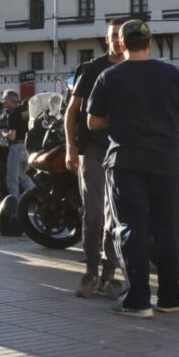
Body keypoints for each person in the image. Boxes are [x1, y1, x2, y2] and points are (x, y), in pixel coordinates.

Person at [87, 20, 179, 318]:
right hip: (166, 161)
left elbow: (93, 122)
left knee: (130, 227)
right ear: (150, 43)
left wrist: (120, 117)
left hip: (126, 161)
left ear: (122, 44)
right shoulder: (171, 73)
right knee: (169, 227)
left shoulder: (109, 76)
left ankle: (137, 301)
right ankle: (171, 298)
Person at [66, 19, 123, 298]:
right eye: (113, 35)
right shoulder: (90, 69)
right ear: (106, 38)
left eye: (121, 35)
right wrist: (70, 147)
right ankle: (90, 272)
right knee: (93, 214)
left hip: (123, 150)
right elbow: (71, 111)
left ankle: (109, 275)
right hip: (93, 149)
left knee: (116, 216)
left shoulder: (134, 70)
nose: (117, 40)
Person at [2, 90, 34, 200]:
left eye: (4, 99)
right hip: (27, 147)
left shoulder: (13, 114)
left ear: (10, 100)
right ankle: (39, 197)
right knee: (24, 177)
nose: (3, 102)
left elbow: (12, 136)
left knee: (12, 179)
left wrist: (3, 134)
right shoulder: (26, 111)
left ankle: (14, 204)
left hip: (16, 148)